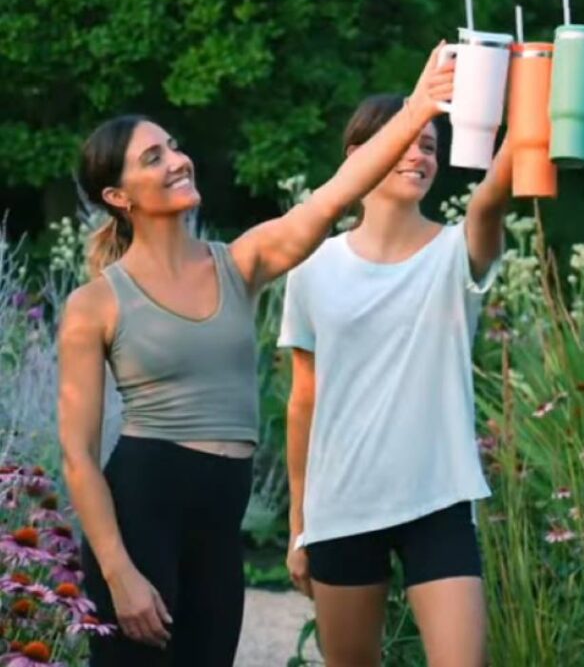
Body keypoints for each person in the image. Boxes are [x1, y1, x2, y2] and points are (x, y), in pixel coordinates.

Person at [57, 43, 454, 667]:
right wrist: (117, 572)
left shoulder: (239, 264)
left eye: (175, 147)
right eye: (152, 158)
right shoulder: (94, 304)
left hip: (221, 516)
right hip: (143, 511)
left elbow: (330, 199)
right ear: (117, 196)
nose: (177, 161)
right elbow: (78, 456)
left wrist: (418, 109)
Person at [278, 95, 511, 667]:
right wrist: (297, 524)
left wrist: (524, 110)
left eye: (430, 146)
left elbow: (491, 198)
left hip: (439, 496)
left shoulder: (458, 251)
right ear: (359, 156)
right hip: (343, 502)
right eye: (405, 141)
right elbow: (303, 399)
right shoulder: (313, 265)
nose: (420, 155)